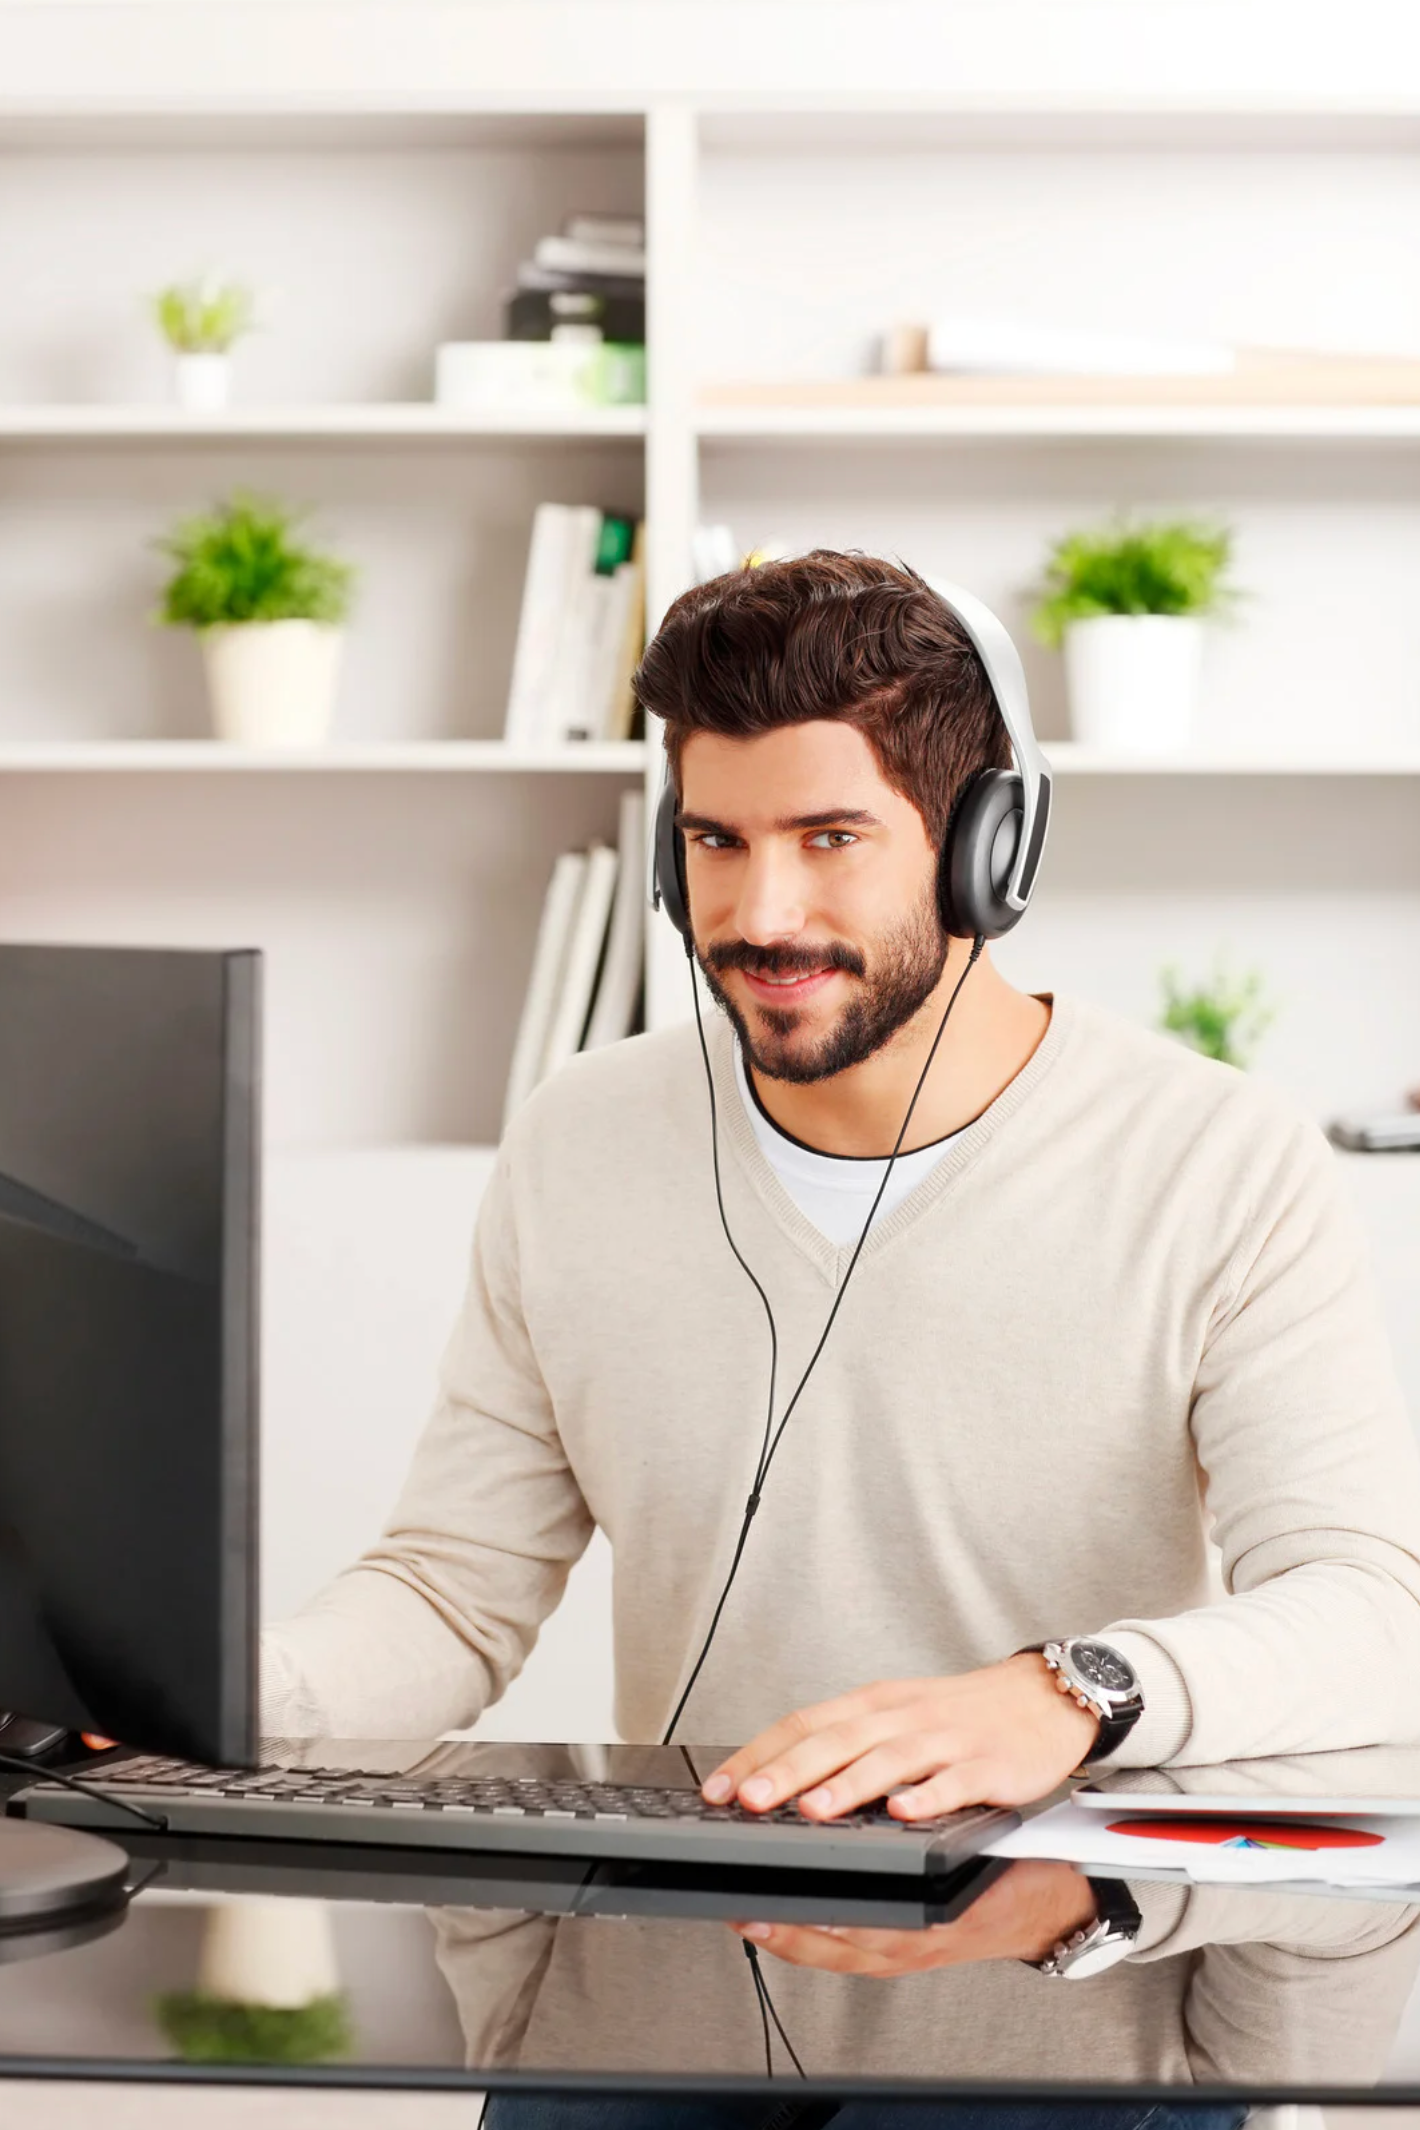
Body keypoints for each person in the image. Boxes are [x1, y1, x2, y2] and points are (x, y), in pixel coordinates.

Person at [265, 548, 1420, 1824]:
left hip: (1073, 1955)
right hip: (684, 1968)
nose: (762, 914)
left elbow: (1371, 1611)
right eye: (716, 840)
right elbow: (450, 1591)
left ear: (989, 848)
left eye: (831, 839)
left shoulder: (1215, 1158)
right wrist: (209, 1701)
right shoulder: (578, 1136)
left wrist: (1067, 1694)